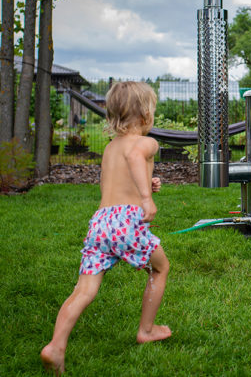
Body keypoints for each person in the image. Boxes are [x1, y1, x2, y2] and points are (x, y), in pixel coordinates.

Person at [40, 81, 171, 375]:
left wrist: (145, 184)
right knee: (160, 269)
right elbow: (136, 157)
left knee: (84, 289)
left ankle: (56, 346)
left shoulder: (111, 147)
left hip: (101, 221)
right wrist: (146, 198)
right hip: (126, 222)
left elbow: (120, 178)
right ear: (146, 115)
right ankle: (146, 330)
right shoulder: (147, 143)